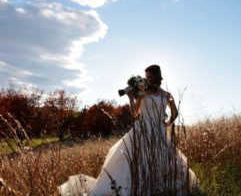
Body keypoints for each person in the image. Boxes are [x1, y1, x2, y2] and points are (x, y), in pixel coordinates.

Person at [59, 65, 198, 196]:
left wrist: (167, 123)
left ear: (156, 77)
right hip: (141, 130)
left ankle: (159, 187)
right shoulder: (143, 93)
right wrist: (131, 98)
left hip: (158, 132)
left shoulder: (167, 95)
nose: (146, 79)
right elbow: (135, 114)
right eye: (145, 76)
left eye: (149, 76)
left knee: (163, 159)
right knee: (132, 160)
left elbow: (175, 113)